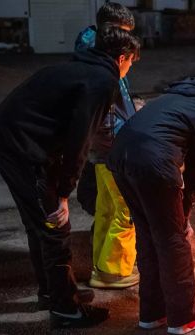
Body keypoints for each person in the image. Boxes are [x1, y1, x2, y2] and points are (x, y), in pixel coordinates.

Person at [0, 25, 140, 328]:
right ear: (122, 58)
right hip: (18, 146)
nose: (130, 68)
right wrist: (64, 194)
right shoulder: (102, 81)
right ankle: (66, 310)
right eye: (132, 62)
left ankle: (52, 293)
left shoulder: (80, 67)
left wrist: (56, 183)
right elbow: (80, 141)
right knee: (54, 223)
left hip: (12, 138)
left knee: (38, 221)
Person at [107, 65, 195, 333]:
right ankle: (183, 316)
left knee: (147, 234)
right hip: (152, 161)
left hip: (120, 155)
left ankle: (152, 313)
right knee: (171, 240)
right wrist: (184, 214)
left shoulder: (179, 93)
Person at [75, 2, 140, 289]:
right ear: (108, 29)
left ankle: (101, 265)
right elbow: (108, 110)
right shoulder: (101, 58)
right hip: (111, 145)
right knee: (127, 209)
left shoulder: (93, 53)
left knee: (107, 209)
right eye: (122, 33)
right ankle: (114, 271)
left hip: (103, 146)